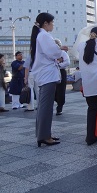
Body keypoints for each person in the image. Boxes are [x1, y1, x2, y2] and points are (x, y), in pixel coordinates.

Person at [30, 12, 67, 147]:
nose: (53, 25)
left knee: (43, 106)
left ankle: (43, 134)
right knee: (46, 107)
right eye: (52, 22)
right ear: (45, 23)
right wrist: (60, 49)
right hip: (47, 75)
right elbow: (54, 53)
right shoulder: (44, 35)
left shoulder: (40, 35)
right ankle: (44, 136)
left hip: (44, 75)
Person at [54, 38, 70, 115]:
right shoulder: (50, 53)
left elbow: (67, 62)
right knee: (52, 90)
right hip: (52, 72)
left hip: (61, 71)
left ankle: (59, 107)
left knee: (61, 90)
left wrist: (58, 65)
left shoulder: (63, 53)